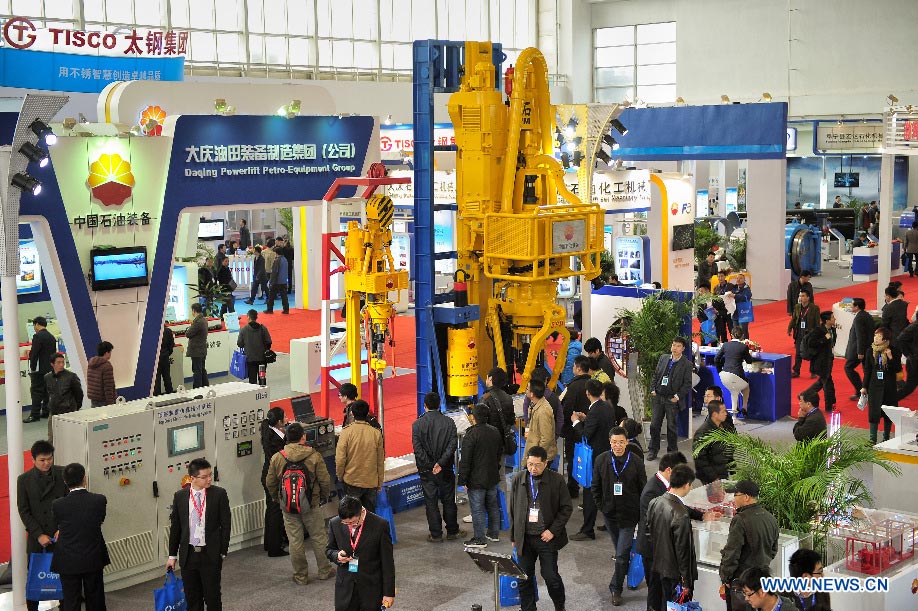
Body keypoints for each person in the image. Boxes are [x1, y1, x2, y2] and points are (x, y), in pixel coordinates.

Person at [265, 422, 337, 585]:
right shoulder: (314, 455)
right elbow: (325, 480)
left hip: (288, 506)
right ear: (303, 437)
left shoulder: (278, 457)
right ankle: (324, 570)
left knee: (295, 541)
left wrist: (278, 498)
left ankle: (300, 575)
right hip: (311, 504)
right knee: (319, 537)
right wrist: (322, 497)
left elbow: (270, 482)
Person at [508, 445, 573, 611]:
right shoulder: (519, 479)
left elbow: (566, 508)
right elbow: (512, 509)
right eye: (530, 464)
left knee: (551, 577)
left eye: (537, 465)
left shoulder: (556, 480)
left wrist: (552, 530)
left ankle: (560, 606)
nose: (533, 468)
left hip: (546, 537)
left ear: (546, 463)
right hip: (525, 537)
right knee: (524, 577)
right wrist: (514, 537)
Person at [167, 458, 232, 611]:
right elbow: (176, 528)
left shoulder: (219, 494)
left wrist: (222, 552)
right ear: (192, 478)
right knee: (192, 598)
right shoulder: (180, 496)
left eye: (210, 475)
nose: (209, 479)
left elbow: (226, 524)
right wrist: (172, 556)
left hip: (210, 554)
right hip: (189, 555)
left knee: (213, 597)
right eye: (204, 477)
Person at [592, 426, 647, 606]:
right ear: (610, 442)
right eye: (614, 442)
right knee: (620, 552)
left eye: (621, 442)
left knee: (621, 554)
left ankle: (616, 588)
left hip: (629, 515)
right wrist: (601, 506)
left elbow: (643, 488)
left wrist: (641, 513)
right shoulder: (601, 460)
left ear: (627, 442)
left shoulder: (636, 462)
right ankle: (626, 571)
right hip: (610, 514)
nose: (618, 445)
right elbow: (595, 487)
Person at [17, 440, 69, 611]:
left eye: (49, 459)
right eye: (42, 460)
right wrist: (39, 534)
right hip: (37, 538)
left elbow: (70, 504)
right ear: (33, 460)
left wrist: (62, 528)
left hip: (59, 536)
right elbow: (24, 511)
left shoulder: (63, 474)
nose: (47, 463)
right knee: (35, 577)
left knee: (65, 579)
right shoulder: (24, 480)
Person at [51, 463, 110, 611]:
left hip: (68, 559)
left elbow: (59, 524)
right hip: (93, 557)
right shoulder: (99, 500)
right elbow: (99, 521)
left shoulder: (57, 504)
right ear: (84, 478)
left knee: (70, 600)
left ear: (65, 481)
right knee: (96, 598)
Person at [325, 495, 395, 611]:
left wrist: (388, 593)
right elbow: (329, 550)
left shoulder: (380, 525)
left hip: (371, 588)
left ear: (362, 512)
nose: (350, 526)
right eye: (345, 523)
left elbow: (387, 563)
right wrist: (336, 556)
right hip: (345, 588)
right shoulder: (335, 523)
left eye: (353, 522)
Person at [412, 391, 465, 542]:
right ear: (439, 404)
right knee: (449, 500)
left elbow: (418, 449)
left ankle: (436, 534)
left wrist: (431, 465)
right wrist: (440, 463)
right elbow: (452, 445)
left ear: (425, 406)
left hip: (427, 471)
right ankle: (452, 531)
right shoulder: (449, 422)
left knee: (431, 502)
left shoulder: (417, 424)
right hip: (445, 469)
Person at [644, 464, 698, 610]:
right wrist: (686, 581)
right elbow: (683, 550)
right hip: (675, 574)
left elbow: (648, 532)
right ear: (686, 485)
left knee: (662, 602)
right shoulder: (681, 514)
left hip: (659, 565)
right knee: (675, 606)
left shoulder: (655, 502)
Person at [719, 479, 779, 611]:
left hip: (741, 582)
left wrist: (726, 578)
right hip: (761, 581)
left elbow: (732, 553)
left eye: (735, 495)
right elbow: (774, 550)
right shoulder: (771, 518)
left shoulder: (740, 519)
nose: (734, 499)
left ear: (746, 497)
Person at [570, 379, 618, 541]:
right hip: (606, 455)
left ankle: (587, 529)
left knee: (590, 493)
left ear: (587, 393)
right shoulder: (607, 407)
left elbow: (586, 436)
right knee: (605, 491)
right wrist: (586, 419)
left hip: (594, 458)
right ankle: (609, 522)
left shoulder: (595, 411)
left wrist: (576, 422)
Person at [458, 403, 504, 548]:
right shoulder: (495, 431)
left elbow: (465, 460)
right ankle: (493, 533)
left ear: (473, 417)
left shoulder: (471, 435)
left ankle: (479, 538)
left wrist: (463, 479)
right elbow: (498, 454)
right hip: (492, 476)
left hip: (476, 480)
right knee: (493, 505)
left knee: (477, 509)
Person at [647, 337, 694, 460]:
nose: (675, 348)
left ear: (683, 348)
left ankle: (672, 453)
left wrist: (677, 397)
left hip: (672, 399)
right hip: (658, 396)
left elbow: (687, 384)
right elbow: (656, 375)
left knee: (672, 428)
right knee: (654, 425)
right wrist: (653, 389)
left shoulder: (687, 364)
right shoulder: (663, 358)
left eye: (678, 346)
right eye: (673, 345)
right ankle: (653, 449)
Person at [336, 399, 385, 513]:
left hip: (352, 480)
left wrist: (340, 476)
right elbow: (380, 460)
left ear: (352, 413)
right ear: (367, 413)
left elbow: (340, 459)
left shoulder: (346, 432)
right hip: (371, 481)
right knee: (370, 515)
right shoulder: (376, 433)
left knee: (353, 515)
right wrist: (379, 481)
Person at [861, 326, 901, 444]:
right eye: (875, 336)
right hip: (874, 386)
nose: (876, 338)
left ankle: (886, 437)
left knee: (888, 412)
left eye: (879, 336)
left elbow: (897, 369)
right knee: (873, 412)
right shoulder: (870, 351)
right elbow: (867, 370)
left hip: (889, 387)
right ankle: (872, 439)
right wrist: (864, 386)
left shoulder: (893, 350)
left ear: (885, 339)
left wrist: (890, 358)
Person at [560, 356, 592, 498]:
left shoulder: (572, 387)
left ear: (578, 368)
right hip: (590, 429)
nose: (572, 368)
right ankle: (589, 487)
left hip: (573, 431)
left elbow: (567, 409)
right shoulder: (593, 384)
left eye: (573, 366)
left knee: (573, 458)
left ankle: (572, 488)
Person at [259, 407, 288, 557]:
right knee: (275, 511)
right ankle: (274, 548)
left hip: (269, 476)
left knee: (271, 509)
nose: (287, 418)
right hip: (274, 477)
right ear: (278, 421)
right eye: (285, 416)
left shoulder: (269, 432)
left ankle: (270, 543)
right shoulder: (276, 440)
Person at [715, 327, 753, 419]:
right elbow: (749, 361)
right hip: (737, 376)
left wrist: (720, 371)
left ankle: (737, 411)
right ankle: (744, 407)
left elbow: (716, 359)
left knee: (735, 390)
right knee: (746, 386)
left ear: (731, 335)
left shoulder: (725, 345)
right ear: (742, 336)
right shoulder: (743, 347)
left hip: (724, 376)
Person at [24, 316, 57, 423]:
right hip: (49, 368)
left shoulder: (37, 337)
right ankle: (46, 411)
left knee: (36, 391)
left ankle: (34, 415)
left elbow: (34, 353)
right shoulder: (51, 337)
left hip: (39, 370)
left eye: (34, 325)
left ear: (37, 324)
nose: (34, 328)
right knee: (47, 391)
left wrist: (32, 367)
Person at [45, 353, 83, 442]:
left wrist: (75, 407)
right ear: (52, 364)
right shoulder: (47, 377)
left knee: (70, 438)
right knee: (52, 438)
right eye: (58, 362)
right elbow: (48, 393)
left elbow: (79, 394)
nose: (61, 365)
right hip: (53, 412)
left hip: (68, 412)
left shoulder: (71, 376)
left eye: (63, 362)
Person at [804, 311, 837, 412]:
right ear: (827, 321)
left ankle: (804, 395)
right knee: (827, 384)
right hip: (821, 362)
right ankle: (828, 407)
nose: (834, 319)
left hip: (829, 359)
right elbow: (811, 343)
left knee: (822, 383)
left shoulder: (833, 329)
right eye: (832, 317)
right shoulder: (818, 330)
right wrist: (824, 339)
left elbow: (832, 342)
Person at [693, 400, 732, 484]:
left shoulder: (725, 427)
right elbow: (700, 459)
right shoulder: (703, 433)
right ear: (715, 414)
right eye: (723, 411)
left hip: (722, 472)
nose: (726, 413)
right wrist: (714, 478)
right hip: (711, 478)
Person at [844, 298, 873, 401]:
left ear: (857, 307)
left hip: (860, 349)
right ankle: (867, 391)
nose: (851, 307)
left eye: (852, 305)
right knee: (867, 370)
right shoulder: (866, 315)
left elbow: (861, 336)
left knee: (848, 367)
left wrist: (860, 352)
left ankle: (860, 390)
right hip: (868, 348)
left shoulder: (859, 318)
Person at [787, 290, 820, 379]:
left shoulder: (814, 308)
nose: (801, 298)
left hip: (810, 334)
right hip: (799, 333)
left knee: (812, 353)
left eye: (803, 296)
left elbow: (817, 323)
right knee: (798, 353)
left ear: (808, 297)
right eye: (800, 296)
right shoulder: (797, 307)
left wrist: (816, 334)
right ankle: (796, 371)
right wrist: (789, 329)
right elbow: (794, 319)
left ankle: (813, 371)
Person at [526, 377, 558, 462]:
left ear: (532, 394)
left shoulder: (543, 411)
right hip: (535, 451)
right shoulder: (533, 404)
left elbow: (546, 438)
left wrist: (536, 456)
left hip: (540, 457)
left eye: (527, 389)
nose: (526, 391)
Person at [237, 309, 272, 385]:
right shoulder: (263, 328)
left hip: (250, 359)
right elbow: (269, 342)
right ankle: (263, 392)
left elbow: (239, 344)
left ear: (248, 317)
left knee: (252, 380)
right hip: (262, 359)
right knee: (262, 377)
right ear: (256, 317)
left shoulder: (243, 330)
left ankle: (254, 395)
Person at [186, 303, 210, 388]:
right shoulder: (203, 320)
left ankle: (197, 389)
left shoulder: (197, 322)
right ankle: (205, 386)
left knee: (197, 371)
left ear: (194, 311)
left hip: (196, 350)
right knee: (202, 369)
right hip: (202, 349)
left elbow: (188, 334)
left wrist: (189, 327)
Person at [86, 340, 116, 407]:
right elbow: (108, 387)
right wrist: (111, 404)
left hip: (93, 399)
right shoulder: (107, 366)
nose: (111, 354)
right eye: (110, 352)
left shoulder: (91, 363)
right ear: (106, 353)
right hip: (103, 401)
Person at [265, 244, 290, 314]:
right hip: (284, 281)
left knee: (271, 296)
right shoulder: (285, 259)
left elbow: (274, 272)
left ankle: (269, 309)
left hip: (277, 281)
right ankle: (286, 309)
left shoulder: (277, 260)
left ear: (276, 253)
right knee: (284, 296)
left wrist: (271, 282)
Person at [897, 316, 918, 400]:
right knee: (909, 388)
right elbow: (900, 339)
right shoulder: (914, 327)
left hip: (914, 360)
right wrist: (908, 354)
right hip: (914, 362)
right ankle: (889, 400)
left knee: (909, 388)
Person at [729, 274, 753, 338]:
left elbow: (745, 297)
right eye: (737, 278)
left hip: (744, 312)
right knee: (735, 331)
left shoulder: (747, 288)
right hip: (735, 312)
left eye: (740, 278)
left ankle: (745, 345)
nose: (738, 280)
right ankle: (737, 345)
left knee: (743, 331)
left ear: (744, 280)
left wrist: (735, 296)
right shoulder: (734, 288)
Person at [154, 324, 175, 395]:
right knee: (167, 377)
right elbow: (171, 345)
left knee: (157, 380)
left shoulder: (154, 331)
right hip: (165, 357)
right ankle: (170, 394)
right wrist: (167, 353)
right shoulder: (168, 331)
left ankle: (157, 396)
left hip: (156, 359)